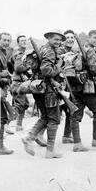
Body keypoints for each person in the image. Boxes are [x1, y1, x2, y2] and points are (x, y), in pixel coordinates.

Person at [21, 29, 65, 158]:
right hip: (48, 90)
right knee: (54, 119)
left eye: (59, 40)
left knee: (45, 117)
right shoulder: (50, 51)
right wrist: (59, 66)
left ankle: (29, 137)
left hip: (39, 88)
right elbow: (46, 70)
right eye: (55, 39)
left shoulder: (42, 49)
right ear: (49, 38)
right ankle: (50, 151)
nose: (58, 42)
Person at [67, 30, 96, 152]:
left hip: (77, 87)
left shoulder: (80, 49)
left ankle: (77, 143)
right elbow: (94, 68)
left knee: (75, 115)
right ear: (89, 38)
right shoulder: (90, 51)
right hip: (88, 88)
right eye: (95, 37)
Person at [10, 34, 30, 132]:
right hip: (18, 83)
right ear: (18, 43)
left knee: (25, 104)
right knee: (19, 106)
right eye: (22, 40)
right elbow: (17, 67)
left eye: (25, 40)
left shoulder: (22, 53)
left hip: (19, 83)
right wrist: (29, 66)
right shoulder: (18, 53)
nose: (24, 42)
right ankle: (5, 123)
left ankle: (18, 125)